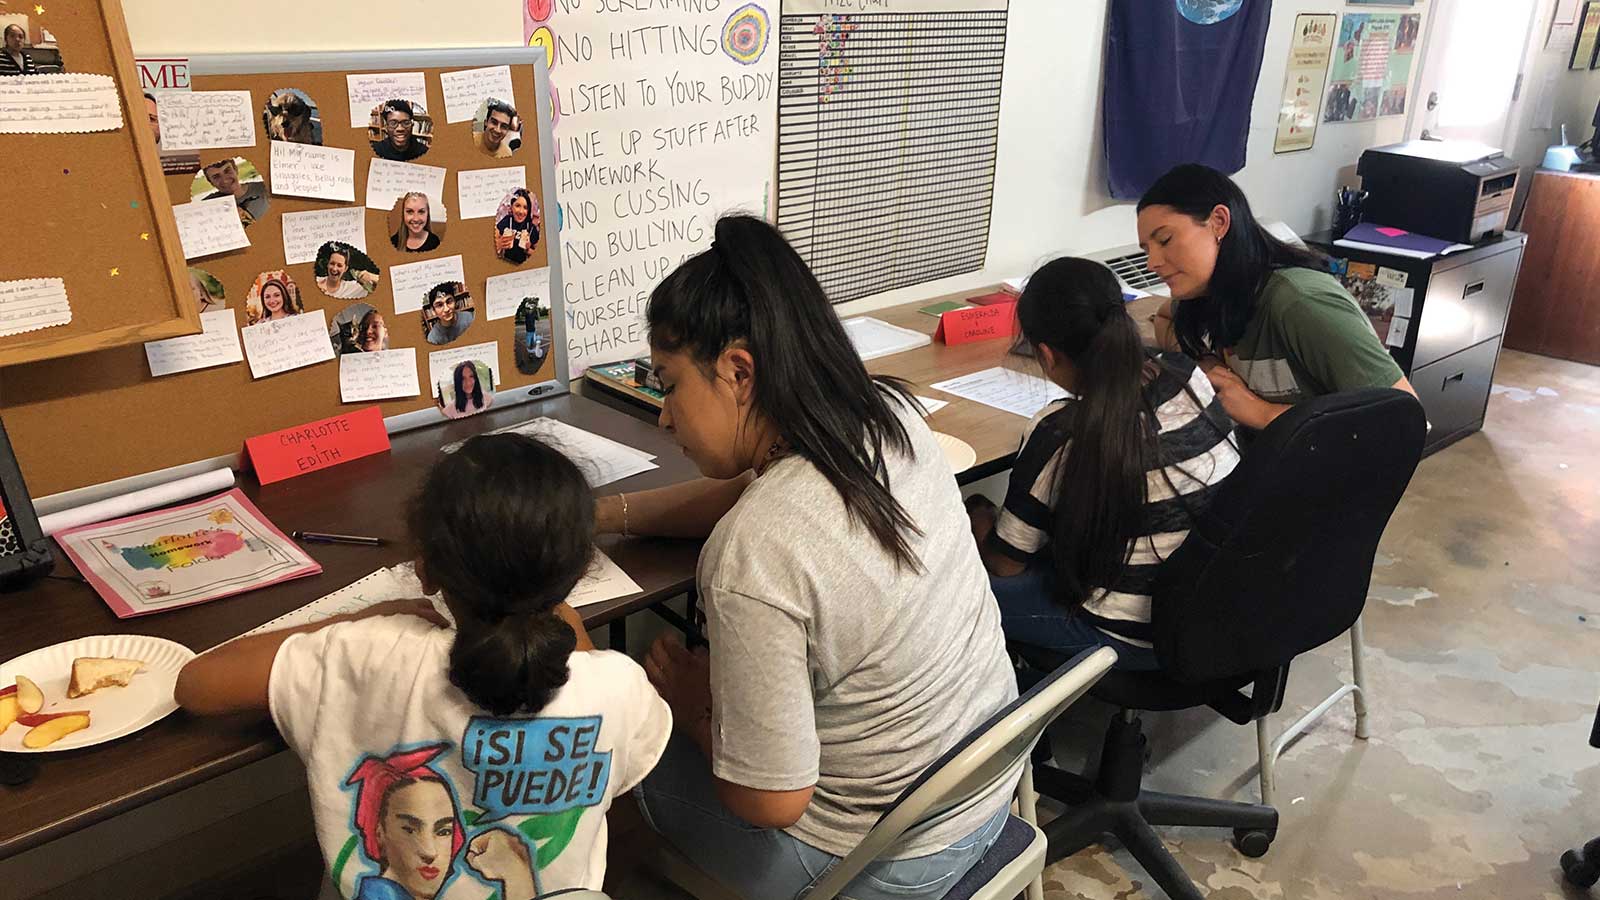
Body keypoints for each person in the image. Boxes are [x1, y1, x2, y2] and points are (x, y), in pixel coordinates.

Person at [610, 215, 1018, 900]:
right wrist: (602, 516)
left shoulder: (754, 551)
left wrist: (688, 708)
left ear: (739, 372)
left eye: (668, 383)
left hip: (887, 864)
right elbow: (753, 495)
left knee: (613, 749)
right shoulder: (887, 417)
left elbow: (772, 804)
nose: (663, 415)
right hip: (985, 784)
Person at [175, 433, 672, 897]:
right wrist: (563, 622)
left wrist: (356, 618)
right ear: (582, 569)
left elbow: (197, 684)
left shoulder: (364, 653)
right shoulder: (619, 687)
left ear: (425, 570)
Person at [966, 258, 1241, 670]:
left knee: (959, 598)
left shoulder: (1063, 430)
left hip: (1134, 632)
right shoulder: (1186, 373)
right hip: (1220, 608)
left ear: (1045, 353)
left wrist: (977, 517)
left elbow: (1006, 564)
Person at [1141, 164, 1415, 431]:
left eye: (1165, 240)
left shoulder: (1301, 302)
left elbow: (1402, 420)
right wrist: (1205, 364)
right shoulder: (1206, 294)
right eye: (1146, 250)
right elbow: (1164, 318)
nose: (1152, 263)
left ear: (1219, 222)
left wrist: (1263, 412)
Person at [201, 158, 269, 226]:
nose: (225, 180)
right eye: (216, 177)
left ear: (236, 170)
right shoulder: (206, 205)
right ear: (211, 183)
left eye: (227, 170)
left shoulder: (265, 189)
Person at [494, 189, 540, 265]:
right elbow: (494, 241)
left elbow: (540, 254)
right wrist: (500, 244)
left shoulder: (531, 228)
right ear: (512, 207)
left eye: (525, 207)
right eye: (518, 206)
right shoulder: (507, 221)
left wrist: (528, 249)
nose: (521, 212)